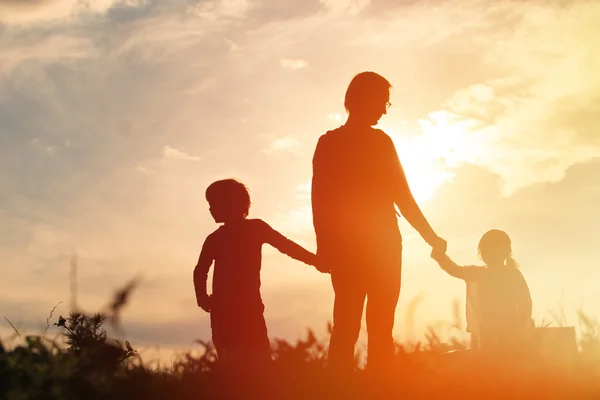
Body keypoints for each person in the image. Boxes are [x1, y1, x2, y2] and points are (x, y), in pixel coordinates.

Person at [311, 71, 447, 373]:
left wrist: (325, 246)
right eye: (383, 102)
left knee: (352, 324)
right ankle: (371, 386)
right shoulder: (371, 143)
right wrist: (431, 237)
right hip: (376, 245)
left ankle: (346, 387)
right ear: (363, 100)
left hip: (362, 246)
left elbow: (321, 201)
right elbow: (403, 196)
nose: (385, 109)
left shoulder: (334, 142)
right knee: (373, 325)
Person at [193, 178, 320, 368]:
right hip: (226, 312)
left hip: (247, 309)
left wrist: (315, 261)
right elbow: (200, 270)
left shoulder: (255, 228)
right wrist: (202, 298)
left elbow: (286, 246)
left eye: (214, 204)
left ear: (232, 203)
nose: (211, 209)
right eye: (209, 205)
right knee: (236, 366)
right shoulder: (215, 239)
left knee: (256, 364)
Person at [430, 229, 533, 351]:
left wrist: (440, 256)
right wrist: (440, 256)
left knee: (497, 356)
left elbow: (524, 301)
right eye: (486, 250)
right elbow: (454, 269)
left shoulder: (505, 274)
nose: (489, 254)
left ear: (506, 252)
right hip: (493, 327)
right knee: (493, 356)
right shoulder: (485, 273)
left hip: (507, 326)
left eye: (493, 250)